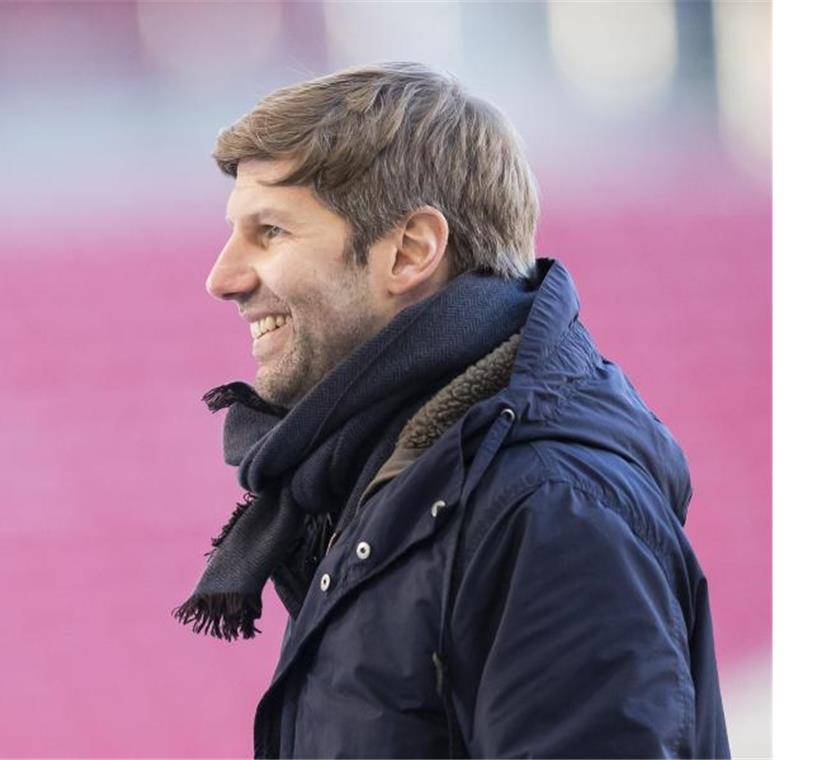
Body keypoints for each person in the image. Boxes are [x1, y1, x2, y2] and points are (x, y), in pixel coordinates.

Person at [174, 62, 730, 759]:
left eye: (270, 232)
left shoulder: (549, 509)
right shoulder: (391, 480)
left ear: (409, 251)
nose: (222, 277)